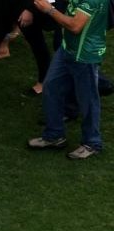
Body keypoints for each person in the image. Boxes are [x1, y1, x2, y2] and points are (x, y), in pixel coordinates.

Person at [27, 0, 108, 159]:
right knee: (51, 87)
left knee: (88, 100)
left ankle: (92, 143)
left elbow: (75, 26)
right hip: (67, 49)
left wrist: (49, 10)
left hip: (84, 56)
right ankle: (54, 135)